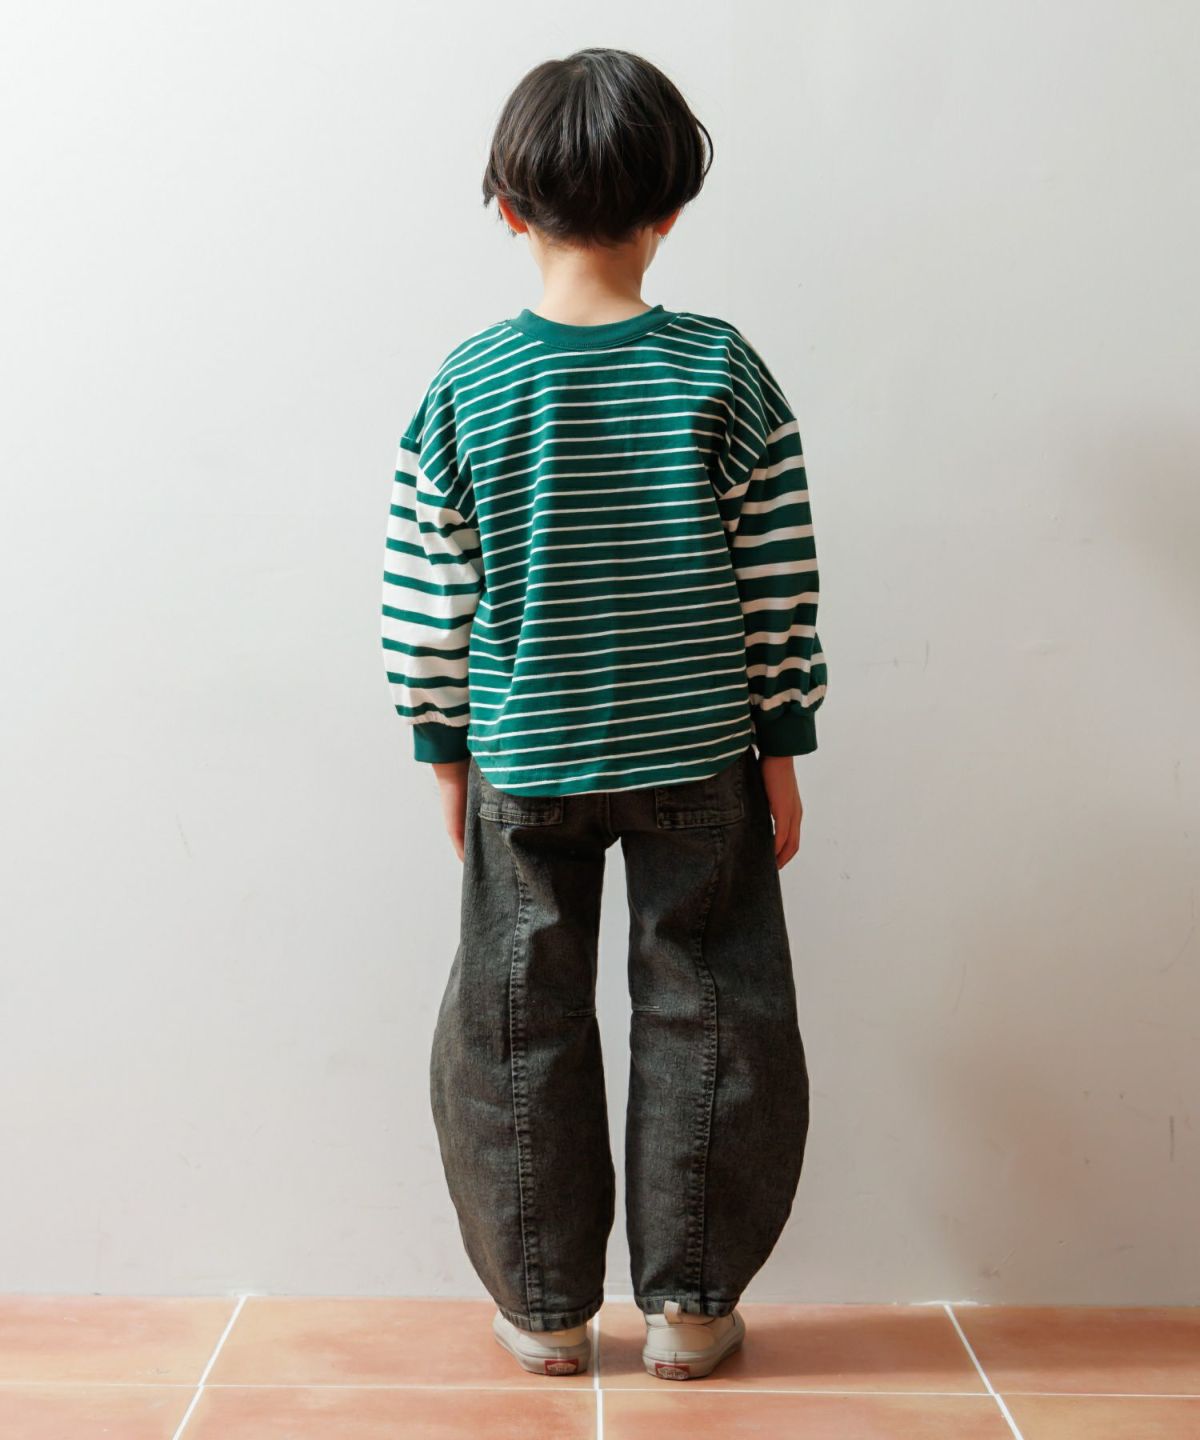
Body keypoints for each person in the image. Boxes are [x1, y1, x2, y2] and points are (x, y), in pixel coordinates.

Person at [379, 46, 828, 1381]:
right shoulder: (725, 372)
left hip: (525, 759)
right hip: (701, 756)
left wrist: (444, 754)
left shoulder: (467, 386)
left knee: (515, 1022)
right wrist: (783, 748)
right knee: (714, 1012)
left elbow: (429, 601)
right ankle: (690, 1306)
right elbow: (780, 583)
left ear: (508, 207)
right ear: (672, 207)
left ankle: (544, 1308)